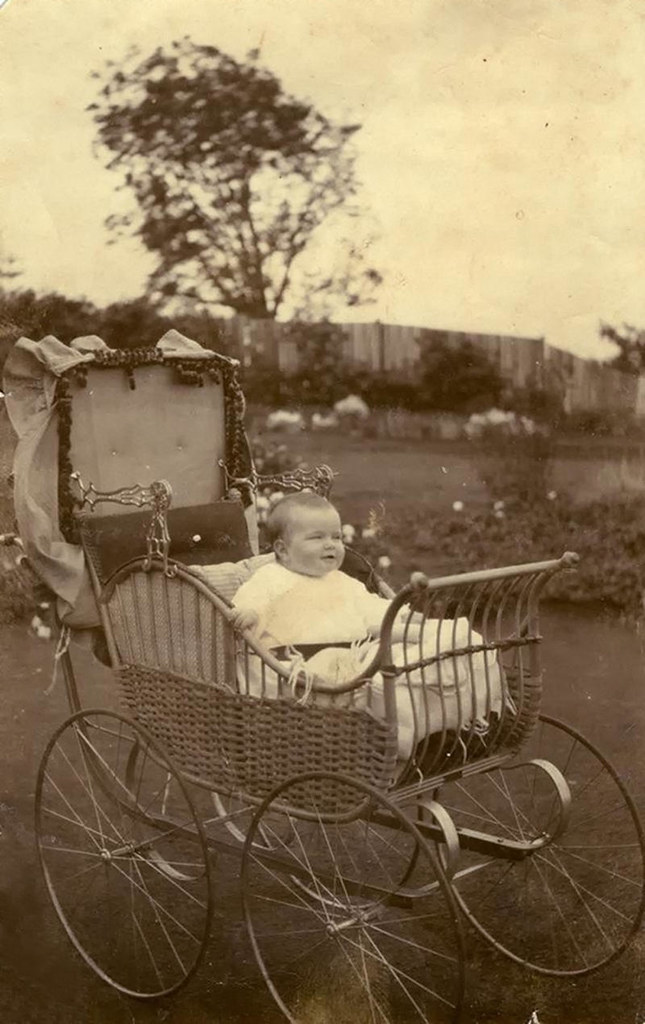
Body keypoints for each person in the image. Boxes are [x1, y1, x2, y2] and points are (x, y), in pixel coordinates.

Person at [231, 492, 504, 761]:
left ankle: (448, 716)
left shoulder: (343, 581)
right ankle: (404, 738)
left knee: (430, 646)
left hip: (354, 655)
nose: (331, 545)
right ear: (282, 550)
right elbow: (254, 600)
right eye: (317, 537)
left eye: (336, 537)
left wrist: (404, 618)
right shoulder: (272, 577)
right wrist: (251, 613)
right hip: (304, 666)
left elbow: (372, 610)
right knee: (384, 678)